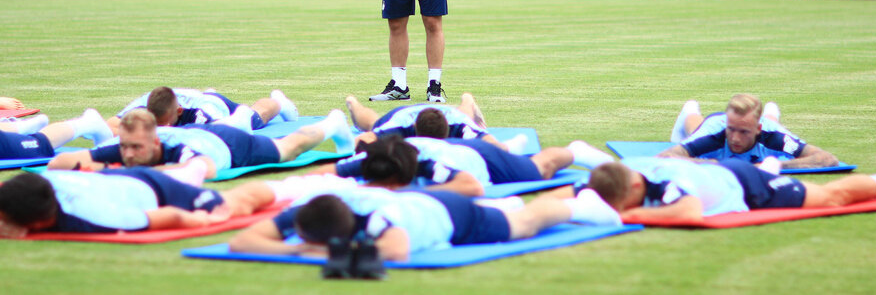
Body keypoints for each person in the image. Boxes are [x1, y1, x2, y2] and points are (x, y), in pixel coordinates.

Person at [227, 182, 620, 262]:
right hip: (420, 202)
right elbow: (241, 242)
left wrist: (330, 252)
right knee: (508, 213)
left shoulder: (379, 221)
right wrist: (295, 248)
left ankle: (582, 205)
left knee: (526, 224)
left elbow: (395, 251)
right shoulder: (312, 208)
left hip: (448, 213)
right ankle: (503, 204)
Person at [0, 166, 278, 236]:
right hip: (104, 182)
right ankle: (188, 167)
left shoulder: (93, 216)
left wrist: (208, 221)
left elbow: (170, 215)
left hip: (152, 188)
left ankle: (285, 190)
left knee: (235, 204)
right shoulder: (17, 192)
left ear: (39, 223)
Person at [583, 157, 876, 222]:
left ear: (633, 186)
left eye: (621, 201)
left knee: (829, 197)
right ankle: (768, 169)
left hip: (747, 186)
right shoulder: (623, 177)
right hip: (722, 176)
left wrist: (628, 215)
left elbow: (688, 212)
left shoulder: (666, 186)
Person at [46, 108, 354, 181]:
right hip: (195, 132)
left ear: (154, 141)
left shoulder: (180, 154)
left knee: (288, 148)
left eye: (136, 149)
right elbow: (56, 164)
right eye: (124, 147)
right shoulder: (128, 147)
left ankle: (332, 124)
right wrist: (104, 163)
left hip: (227, 145)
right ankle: (242, 114)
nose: (127, 154)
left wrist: (111, 172)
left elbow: (197, 171)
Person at [317, 134, 613, 197]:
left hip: (480, 159)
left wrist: (411, 195)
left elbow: (469, 186)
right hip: (447, 147)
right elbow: (325, 173)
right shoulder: (371, 159)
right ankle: (512, 147)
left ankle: (575, 150)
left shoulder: (430, 168)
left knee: (541, 168)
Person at [660, 94, 838, 172]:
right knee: (695, 129)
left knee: (773, 125)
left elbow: (827, 159)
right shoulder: (716, 134)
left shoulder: (773, 137)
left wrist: (770, 166)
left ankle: (771, 114)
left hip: (768, 127)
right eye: (732, 130)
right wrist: (714, 164)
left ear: (757, 131)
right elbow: (666, 157)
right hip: (711, 124)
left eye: (744, 132)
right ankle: (690, 110)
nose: (735, 138)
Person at [346, 93, 519, 151]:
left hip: (447, 113)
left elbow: (493, 144)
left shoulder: (457, 124)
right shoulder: (400, 126)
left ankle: (468, 99)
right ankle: (353, 103)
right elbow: (362, 140)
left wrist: (505, 148)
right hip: (405, 113)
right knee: (372, 123)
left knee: (464, 115)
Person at [106, 86, 298, 135]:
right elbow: (110, 125)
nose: (163, 128)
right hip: (185, 96)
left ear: (179, 112)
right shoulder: (142, 106)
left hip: (215, 103)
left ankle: (279, 102)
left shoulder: (203, 114)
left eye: (166, 122)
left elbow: (221, 134)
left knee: (255, 118)